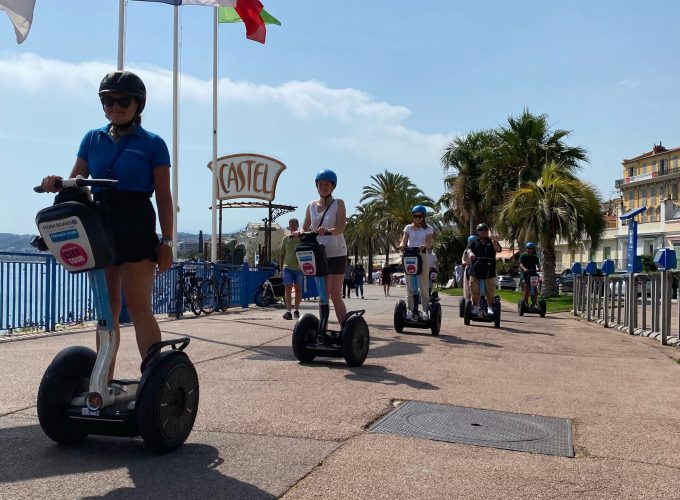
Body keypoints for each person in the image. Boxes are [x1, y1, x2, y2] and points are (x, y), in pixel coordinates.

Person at [40, 70, 173, 376]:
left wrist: (166, 242)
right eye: (107, 100)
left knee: (139, 306)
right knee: (106, 310)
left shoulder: (153, 143)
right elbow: (74, 183)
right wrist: (54, 182)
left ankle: (154, 381)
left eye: (123, 100)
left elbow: (163, 196)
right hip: (100, 221)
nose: (115, 106)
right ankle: (102, 381)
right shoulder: (92, 138)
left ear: (138, 104)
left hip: (136, 220)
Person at [299, 169, 348, 325]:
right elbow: (304, 227)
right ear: (317, 185)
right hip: (319, 254)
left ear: (333, 186)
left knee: (334, 294)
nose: (324, 187)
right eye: (321, 184)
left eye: (327, 184)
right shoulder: (311, 206)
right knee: (322, 294)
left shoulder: (338, 203)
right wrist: (299, 232)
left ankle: (345, 330)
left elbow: (341, 227)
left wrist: (328, 231)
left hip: (336, 253)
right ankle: (322, 330)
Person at [398, 205, 434, 320]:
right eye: (415, 216)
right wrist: (402, 246)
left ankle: (425, 310)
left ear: (424, 216)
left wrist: (425, 246)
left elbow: (429, 244)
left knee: (423, 285)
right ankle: (410, 309)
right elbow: (404, 241)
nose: (417, 218)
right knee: (409, 286)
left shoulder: (428, 229)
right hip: (409, 255)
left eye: (420, 216)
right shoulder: (408, 227)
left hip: (421, 255)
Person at [467, 223, 502, 315]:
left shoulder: (491, 241)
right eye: (481, 230)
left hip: (489, 268)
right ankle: (475, 307)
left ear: (487, 231)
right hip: (476, 268)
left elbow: (498, 250)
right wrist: (471, 254)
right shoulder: (474, 241)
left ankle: (490, 307)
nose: (483, 232)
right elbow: (469, 249)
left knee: (490, 290)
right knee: (474, 289)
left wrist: (495, 244)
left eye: (485, 230)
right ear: (478, 232)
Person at [279, 217, 303, 320]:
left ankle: (296, 310)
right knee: (287, 288)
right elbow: (282, 254)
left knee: (298, 289)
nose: (292, 227)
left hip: (299, 268)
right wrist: (281, 268)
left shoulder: (302, 238)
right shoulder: (286, 238)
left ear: (297, 226)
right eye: (291, 225)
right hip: (287, 267)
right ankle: (288, 311)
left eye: (294, 225)